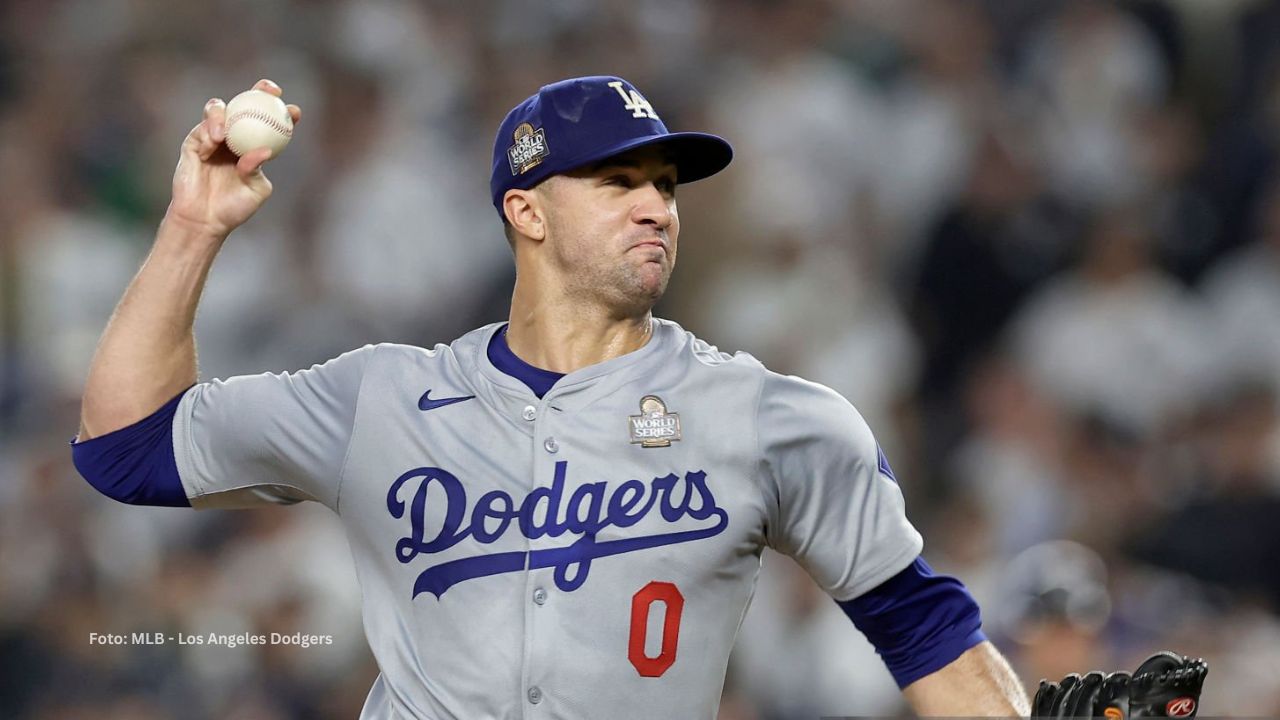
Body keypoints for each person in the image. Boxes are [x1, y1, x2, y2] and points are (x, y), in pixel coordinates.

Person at [72, 76, 1029, 718]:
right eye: (619, 182)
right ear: (524, 211)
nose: (657, 204)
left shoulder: (776, 418)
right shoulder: (382, 396)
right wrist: (195, 226)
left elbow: (927, 630)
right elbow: (124, 447)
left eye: (664, 184)